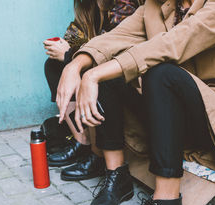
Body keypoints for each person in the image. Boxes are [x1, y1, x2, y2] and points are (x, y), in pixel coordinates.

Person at [56, 0, 215, 205]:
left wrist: (92, 75)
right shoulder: (157, 6)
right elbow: (114, 38)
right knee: (108, 65)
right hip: (180, 108)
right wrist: (76, 65)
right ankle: (117, 175)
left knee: (160, 72)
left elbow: (174, 44)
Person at [43, 0, 143, 181]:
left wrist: (68, 54)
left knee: (90, 71)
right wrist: (62, 50)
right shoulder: (87, 7)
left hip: (124, 73)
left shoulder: (124, 5)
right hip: (96, 63)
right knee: (52, 65)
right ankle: (82, 141)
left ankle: (99, 155)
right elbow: (73, 37)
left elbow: (113, 48)